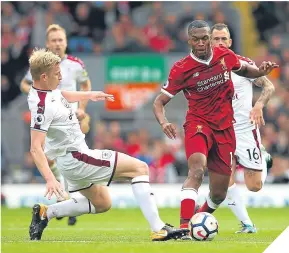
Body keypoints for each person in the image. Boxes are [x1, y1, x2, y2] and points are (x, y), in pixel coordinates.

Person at [28, 48, 188, 241]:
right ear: (44, 76)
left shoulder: (44, 91)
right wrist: (50, 179)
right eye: (57, 73)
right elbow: (35, 147)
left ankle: (45, 213)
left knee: (102, 202)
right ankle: (159, 228)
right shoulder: (42, 107)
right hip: (77, 158)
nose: (61, 76)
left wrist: (89, 95)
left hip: (71, 159)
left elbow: (61, 95)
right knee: (140, 168)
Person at [153, 20, 278, 240]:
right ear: (189, 40)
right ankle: (184, 227)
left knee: (220, 193)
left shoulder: (224, 56)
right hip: (198, 124)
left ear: (210, 39)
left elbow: (247, 72)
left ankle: (197, 221)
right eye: (196, 39)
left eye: (205, 38)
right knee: (197, 170)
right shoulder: (181, 68)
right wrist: (164, 122)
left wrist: (261, 70)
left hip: (226, 128)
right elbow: (159, 102)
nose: (201, 43)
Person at [21, 24, 92, 225]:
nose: (58, 44)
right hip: (49, 117)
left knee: (69, 157)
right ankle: (67, 202)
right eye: (54, 40)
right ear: (47, 43)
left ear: (66, 42)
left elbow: (86, 84)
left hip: (71, 118)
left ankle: (66, 202)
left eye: (61, 40)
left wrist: (83, 108)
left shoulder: (76, 64)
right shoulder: (40, 66)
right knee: (52, 158)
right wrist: (38, 95)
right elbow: (25, 83)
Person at [210, 23, 275, 233]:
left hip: (245, 130)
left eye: (223, 39)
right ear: (210, 42)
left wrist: (258, 105)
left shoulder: (243, 64)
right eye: (216, 39)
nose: (220, 42)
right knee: (223, 180)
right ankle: (247, 224)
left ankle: (262, 158)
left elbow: (268, 85)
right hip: (221, 131)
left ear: (229, 42)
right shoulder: (204, 69)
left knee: (254, 186)